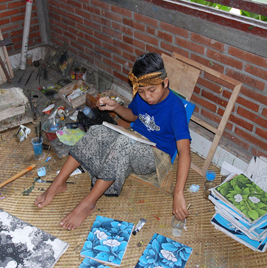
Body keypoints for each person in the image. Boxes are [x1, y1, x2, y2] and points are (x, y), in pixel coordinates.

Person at [35, 53, 192, 230]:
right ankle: (58, 183)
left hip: (156, 155)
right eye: (141, 91)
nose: (147, 96)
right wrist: (116, 107)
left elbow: (184, 151)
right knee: (97, 130)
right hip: (134, 136)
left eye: (152, 90)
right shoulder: (141, 95)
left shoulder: (175, 107)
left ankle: (88, 203)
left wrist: (178, 193)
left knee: (123, 143)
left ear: (165, 82)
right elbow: (133, 115)